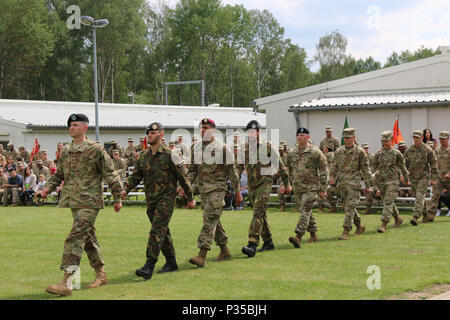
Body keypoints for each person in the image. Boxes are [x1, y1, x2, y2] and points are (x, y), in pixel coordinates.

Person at [41, 113, 123, 297]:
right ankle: (101, 274)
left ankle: (67, 282)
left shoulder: (95, 149)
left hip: (90, 201)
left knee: (75, 237)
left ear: (85, 128)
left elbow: (111, 174)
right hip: (73, 201)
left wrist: (117, 198)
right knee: (88, 238)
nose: (71, 128)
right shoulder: (67, 150)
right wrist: (47, 189)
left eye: (75, 125)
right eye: (70, 125)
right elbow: (58, 174)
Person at [122, 122, 195, 280]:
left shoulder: (171, 154)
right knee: (162, 231)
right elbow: (135, 176)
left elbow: (183, 177)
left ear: (161, 135)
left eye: (153, 133)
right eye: (148, 133)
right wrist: (125, 189)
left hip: (166, 199)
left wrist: (190, 197)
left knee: (156, 230)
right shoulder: (143, 156)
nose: (150, 135)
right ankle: (171, 261)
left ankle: (149, 264)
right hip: (151, 201)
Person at [188, 118, 242, 267]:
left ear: (213, 130)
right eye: (201, 127)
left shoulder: (222, 148)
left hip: (217, 190)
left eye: (206, 127)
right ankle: (224, 250)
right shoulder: (196, 148)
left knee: (209, 219)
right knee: (214, 221)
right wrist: (186, 188)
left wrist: (237, 192)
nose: (203, 130)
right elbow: (192, 171)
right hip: (204, 191)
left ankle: (202, 254)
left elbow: (232, 172)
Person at [240, 120, 291, 257]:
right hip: (252, 186)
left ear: (258, 132)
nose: (250, 134)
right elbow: (238, 166)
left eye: (253, 131)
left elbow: (281, 167)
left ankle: (252, 244)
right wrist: (235, 185)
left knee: (257, 213)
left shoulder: (268, 147)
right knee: (261, 214)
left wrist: (287, 184)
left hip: (265, 184)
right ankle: (268, 241)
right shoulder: (244, 148)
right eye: (249, 132)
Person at [286, 127, 328, 248]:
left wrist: (323, 189)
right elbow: (287, 169)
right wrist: (286, 184)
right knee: (307, 211)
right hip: (297, 187)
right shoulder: (291, 152)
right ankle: (314, 235)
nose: (300, 137)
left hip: (311, 187)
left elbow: (324, 169)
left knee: (304, 210)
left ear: (308, 137)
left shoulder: (315, 151)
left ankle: (298, 236)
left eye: (303, 135)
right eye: (298, 135)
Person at [329, 128, 372, 240]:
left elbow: (366, 170)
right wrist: (332, 177)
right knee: (348, 207)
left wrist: (368, 185)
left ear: (354, 137)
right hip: (342, 184)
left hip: (354, 184)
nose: (347, 140)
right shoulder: (339, 151)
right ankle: (359, 225)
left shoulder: (360, 152)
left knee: (349, 208)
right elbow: (334, 166)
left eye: (349, 137)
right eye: (345, 137)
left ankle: (346, 231)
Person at [372, 131, 409, 233]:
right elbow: (373, 168)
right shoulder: (378, 154)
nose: (384, 143)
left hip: (393, 182)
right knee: (388, 202)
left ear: (391, 140)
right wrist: (367, 177)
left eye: (386, 140)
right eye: (383, 141)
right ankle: (398, 219)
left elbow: (403, 168)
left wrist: (407, 179)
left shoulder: (397, 154)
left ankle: (384, 224)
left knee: (388, 202)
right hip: (382, 182)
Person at [404, 130, 438, 225]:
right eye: (414, 137)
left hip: (424, 176)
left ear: (422, 138)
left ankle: (415, 216)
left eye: (417, 137)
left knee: (419, 195)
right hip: (413, 177)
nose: (416, 139)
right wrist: (404, 175)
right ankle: (425, 214)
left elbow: (433, 164)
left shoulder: (428, 150)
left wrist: (434, 179)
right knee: (419, 197)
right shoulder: (409, 150)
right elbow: (404, 165)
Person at [425, 131, 450, 222]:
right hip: (439, 178)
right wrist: (432, 178)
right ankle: (430, 215)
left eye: (444, 139)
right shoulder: (437, 151)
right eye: (441, 139)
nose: (442, 140)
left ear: (448, 139)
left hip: (449, 178)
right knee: (435, 195)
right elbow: (432, 165)